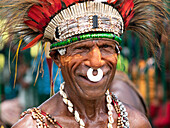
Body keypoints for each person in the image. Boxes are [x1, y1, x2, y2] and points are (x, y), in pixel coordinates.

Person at [0, 0, 168, 128]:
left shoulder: (134, 122)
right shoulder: (33, 125)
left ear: (117, 53)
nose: (96, 61)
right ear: (57, 58)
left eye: (106, 47)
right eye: (81, 48)